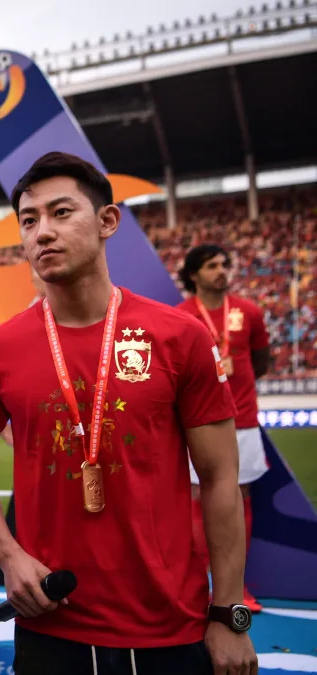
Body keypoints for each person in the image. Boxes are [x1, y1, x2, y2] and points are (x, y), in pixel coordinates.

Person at [0, 152, 258, 675]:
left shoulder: (178, 337)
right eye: (29, 221)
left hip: (170, 625)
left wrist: (227, 613)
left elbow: (220, 477)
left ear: (107, 222)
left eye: (61, 212)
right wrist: (7, 554)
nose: (42, 232)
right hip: (51, 625)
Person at [177, 244, 271, 612]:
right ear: (194, 274)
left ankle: (235, 587)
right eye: (212, 265)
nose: (222, 270)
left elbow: (260, 362)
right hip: (195, 421)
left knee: (238, 498)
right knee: (198, 498)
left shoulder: (249, 312)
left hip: (241, 418)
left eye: (224, 264)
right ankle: (199, 583)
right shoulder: (182, 316)